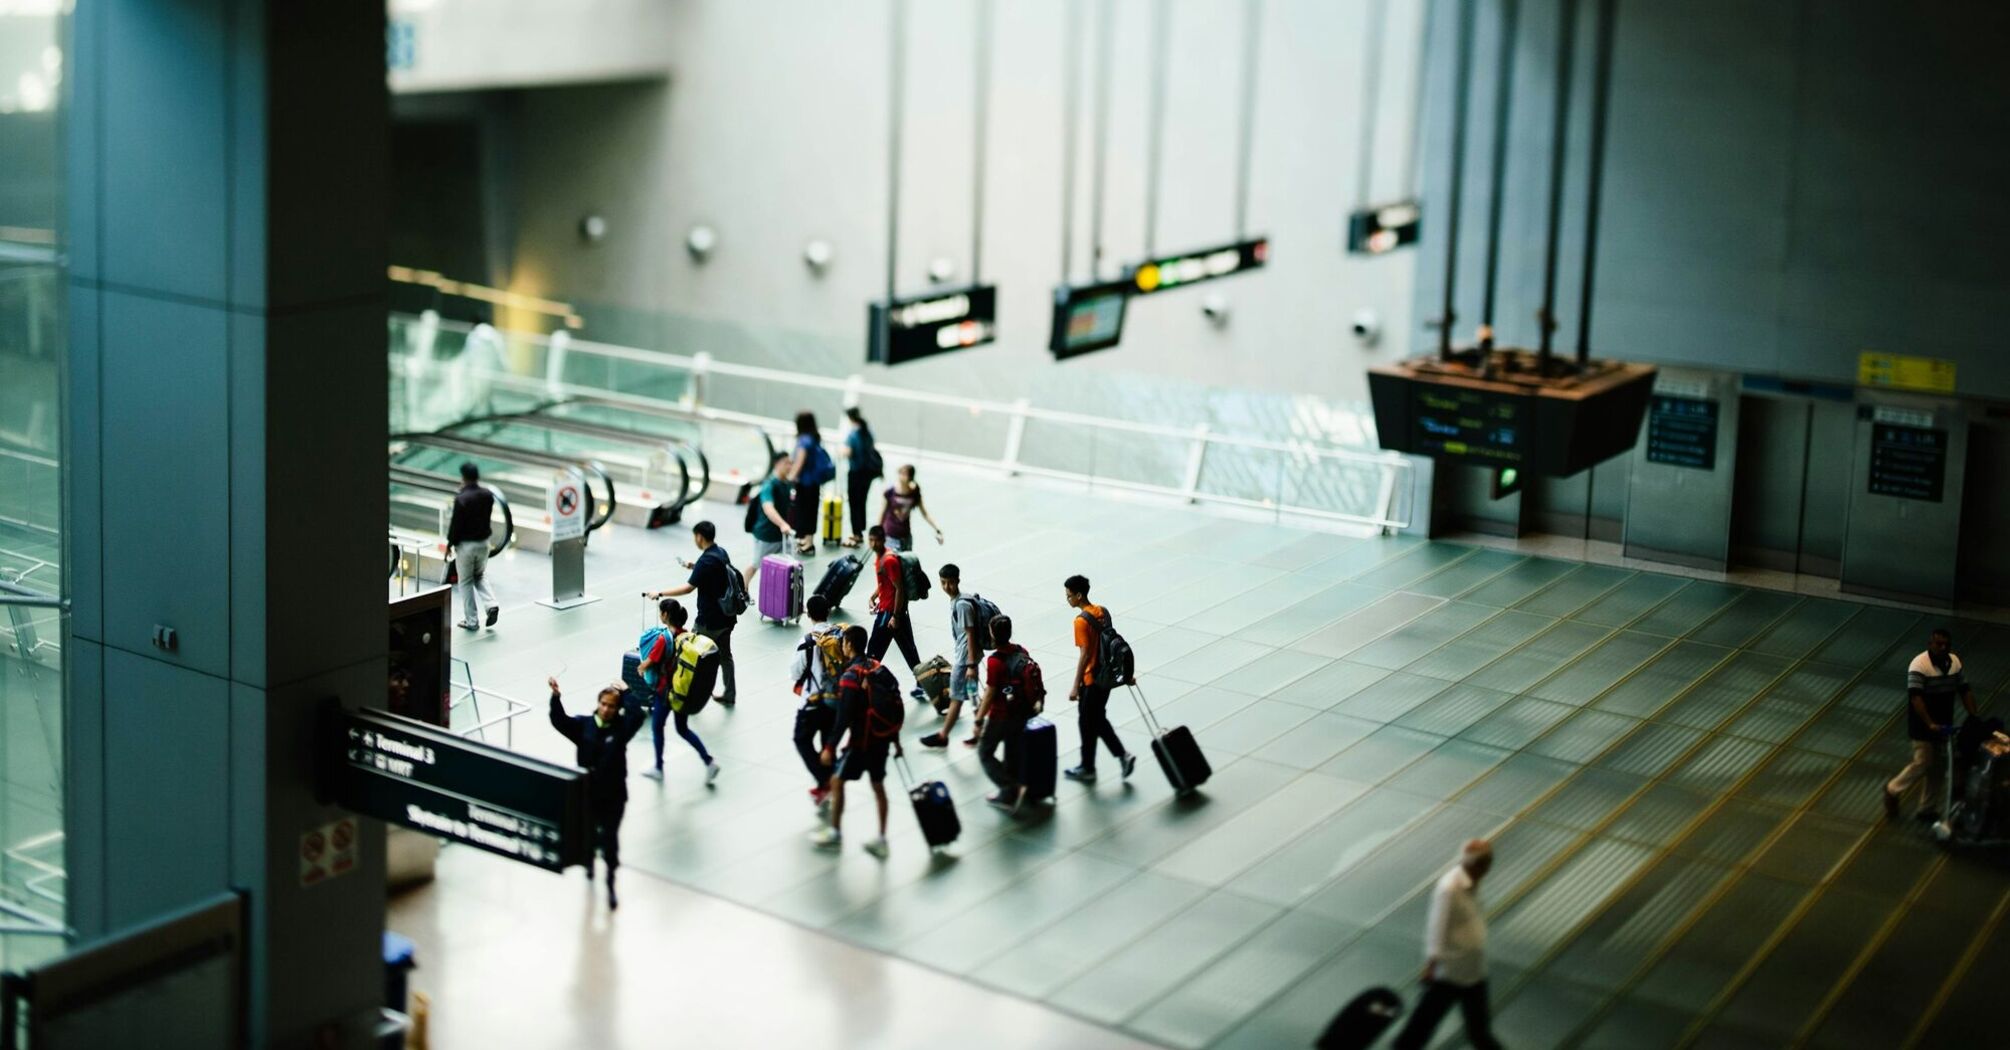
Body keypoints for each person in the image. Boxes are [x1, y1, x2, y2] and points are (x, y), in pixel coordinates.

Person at [547, 676, 647, 909]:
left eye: (612, 706)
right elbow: (560, 721)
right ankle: (590, 862)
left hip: (614, 796)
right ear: (598, 703)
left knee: (610, 840)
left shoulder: (621, 729)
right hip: (589, 795)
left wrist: (627, 692)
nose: (606, 709)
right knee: (589, 834)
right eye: (603, 704)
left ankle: (610, 882)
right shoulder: (584, 726)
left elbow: (638, 716)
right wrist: (555, 697)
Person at [1392, 840, 1502, 1050]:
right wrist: (1432, 965)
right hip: (1449, 973)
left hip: (1473, 971)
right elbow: (1437, 927)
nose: (1489, 868)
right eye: (1487, 863)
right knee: (1416, 1035)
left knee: (1479, 1033)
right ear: (1476, 864)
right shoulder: (1450, 888)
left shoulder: (1472, 883)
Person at [811, 625, 898, 857]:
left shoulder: (850, 676)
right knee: (878, 787)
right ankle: (881, 838)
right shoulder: (877, 668)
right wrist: (895, 739)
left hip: (861, 742)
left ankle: (835, 833)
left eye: (844, 643)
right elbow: (890, 703)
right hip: (881, 739)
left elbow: (844, 715)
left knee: (837, 781)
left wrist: (829, 746)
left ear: (848, 645)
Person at [1884, 626, 1978, 822]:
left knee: (1938, 767)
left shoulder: (1954, 663)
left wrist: (1973, 715)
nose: (1942, 648)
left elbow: (1965, 689)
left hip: (1943, 724)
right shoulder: (1919, 665)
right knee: (1923, 761)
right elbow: (1916, 698)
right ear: (1930, 644)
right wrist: (1930, 723)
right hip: (1922, 726)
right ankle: (1893, 789)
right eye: (1938, 644)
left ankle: (1927, 808)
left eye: (1946, 644)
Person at [648, 521, 738, 707]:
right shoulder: (720, 553)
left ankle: (683, 691)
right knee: (725, 657)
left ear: (699, 537)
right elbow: (712, 571)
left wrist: (661, 593)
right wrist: (693, 566)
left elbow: (688, 588)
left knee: (687, 651)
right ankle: (730, 693)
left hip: (708, 620)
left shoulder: (705, 561)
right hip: (726, 618)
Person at [635, 598, 720, 786]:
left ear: (665, 615)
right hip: (682, 689)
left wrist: (640, 668)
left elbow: (650, 662)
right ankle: (709, 761)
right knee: (682, 729)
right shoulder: (685, 635)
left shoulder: (663, 638)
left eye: (661, 612)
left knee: (657, 727)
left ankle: (658, 767)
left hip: (665, 691)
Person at [1064, 574, 1135, 783]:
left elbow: (1085, 654)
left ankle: (1101, 763)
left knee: (1089, 721)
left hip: (1091, 680)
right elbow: (1110, 641)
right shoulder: (1102, 611)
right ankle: (1094, 764)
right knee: (1093, 719)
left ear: (1079, 595)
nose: (1067, 599)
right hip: (1106, 677)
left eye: (1069, 596)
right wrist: (1126, 673)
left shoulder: (1080, 621)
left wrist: (1075, 685)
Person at [976, 614, 1034, 813]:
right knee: (1012, 750)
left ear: (992, 634)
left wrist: (978, 719)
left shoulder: (994, 662)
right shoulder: (1021, 651)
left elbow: (990, 692)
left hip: (1001, 715)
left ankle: (1010, 788)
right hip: (1022, 711)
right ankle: (1014, 789)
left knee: (985, 752)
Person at [919, 563, 981, 749]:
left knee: (956, 696)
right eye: (943, 583)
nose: (947, 587)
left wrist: (970, 665)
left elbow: (970, 633)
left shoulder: (961, 605)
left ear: (958, 581)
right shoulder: (960, 600)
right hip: (969, 658)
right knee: (973, 695)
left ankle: (943, 735)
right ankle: (979, 732)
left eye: (950, 583)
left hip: (965, 660)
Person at [791, 594, 844, 810]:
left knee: (801, 740)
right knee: (827, 746)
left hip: (813, 702)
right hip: (836, 701)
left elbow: (795, 673)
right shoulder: (840, 636)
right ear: (829, 612)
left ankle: (825, 782)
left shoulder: (807, 642)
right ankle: (829, 785)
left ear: (808, 614)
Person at [864, 525, 927, 701]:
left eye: (876, 540)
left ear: (883, 540)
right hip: (892, 612)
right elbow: (886, 583)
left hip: (889, 615)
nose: (873, 543)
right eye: (870, 540)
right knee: (909, 652)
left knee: (873, 654)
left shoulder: (888, 560)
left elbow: (899, 588)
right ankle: (922, 684)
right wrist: (874, 596)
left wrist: (896, 616)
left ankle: (867, 687)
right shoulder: (881, 558)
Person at [447, 462, 499, 631]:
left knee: (466, 581)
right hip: (484, 544)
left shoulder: (462, 499)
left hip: (466, 546)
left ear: (463, 477)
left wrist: (449, 544)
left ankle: (472, 621)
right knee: (480, 575)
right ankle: (491, 604)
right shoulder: (487, 495)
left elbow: (456, 525)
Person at [746, 450, 796, 586]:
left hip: (781, 535)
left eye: (791, 463)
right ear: (777, 464)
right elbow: (768, 508)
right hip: (766, 534)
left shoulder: (787, 483)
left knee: (785, 563)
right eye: (786, 463)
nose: (789, 466)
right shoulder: (769, 485)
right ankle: (742, 590)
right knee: (755, 564)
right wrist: (782, 524)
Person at [787, 411, 834, 557]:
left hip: (804, 483)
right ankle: (809, 542)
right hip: (814, 483)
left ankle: (803, 543)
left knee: (802, 512)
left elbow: (799, 462)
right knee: (811, 512)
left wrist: (790, 477)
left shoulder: (804, 440)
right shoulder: (814, 438)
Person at [877, 463, 943, 552]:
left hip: (906, 536)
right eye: (901, 474)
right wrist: (877, 531)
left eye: (905, 474)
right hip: (891, 535)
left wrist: (936, 528)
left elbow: (925, 513)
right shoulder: (890, 492)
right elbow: (882, 512)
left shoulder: (914, 493)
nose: (902, 477)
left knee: (906, 563)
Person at [842, 406, 882, 548]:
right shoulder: (868, 430)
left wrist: (841, 452)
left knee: (854, 503)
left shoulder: (853, 435)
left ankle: (857, 533)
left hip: (856, 472)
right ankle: (861, 529)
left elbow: (847, 452)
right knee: (862, 501)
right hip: (868, 472)